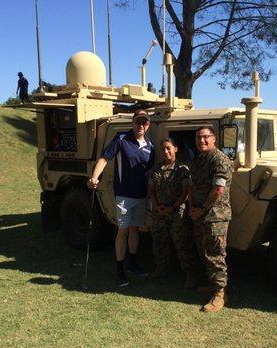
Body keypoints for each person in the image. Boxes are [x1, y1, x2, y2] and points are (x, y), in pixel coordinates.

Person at [88, 109, 155, 286]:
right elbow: (104, 159)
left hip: (141, 196)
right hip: (124, 195)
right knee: (123, 230)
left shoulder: (150, 146)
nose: (141, 125)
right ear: (132, 123)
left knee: (135, 229)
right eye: (138, 122)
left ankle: (132, 263)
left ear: (148, 125)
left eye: (144, 122)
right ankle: (120, 269)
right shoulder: (121, 139)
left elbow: (150, 171)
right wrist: (95, 177)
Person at [189, 126, 233, 312]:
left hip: (215, 216)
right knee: (204, 252)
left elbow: (218, 190)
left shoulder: (219, 160)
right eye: (199, 138)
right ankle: (212, 284)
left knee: (215, 254)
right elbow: (192, 185)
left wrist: (202, 209)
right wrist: (192, 208)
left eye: (206, 137)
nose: (202, 141)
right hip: (199, 214)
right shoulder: (199, 161)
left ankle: (219, 295)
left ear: (214, 139)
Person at [148, 138, 199, 288]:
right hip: (160, 211)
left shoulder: (182, 169)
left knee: (182, 243)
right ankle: (161, 270)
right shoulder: (156, 170)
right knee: (159, 242)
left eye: (168, 148)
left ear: (175, 149)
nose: (166, 151)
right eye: (163, 149)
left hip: (177, 212)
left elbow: (186, 192)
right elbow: (152, 191)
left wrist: (173, 207)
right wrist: (157, 206)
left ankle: (190, 275)